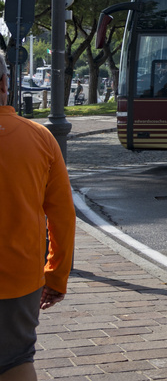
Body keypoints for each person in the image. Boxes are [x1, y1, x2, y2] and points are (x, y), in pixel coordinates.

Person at [0, 54, 76, 381]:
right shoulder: (40, 138)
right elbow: (62, 215)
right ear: (4, 84)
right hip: (18, 277)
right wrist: (56, 276)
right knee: (15, 359)